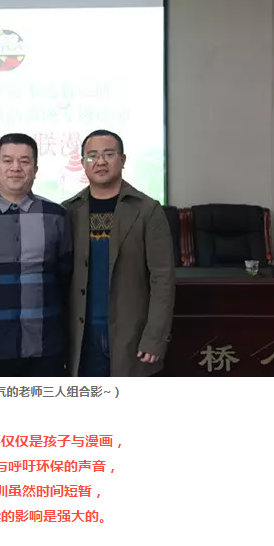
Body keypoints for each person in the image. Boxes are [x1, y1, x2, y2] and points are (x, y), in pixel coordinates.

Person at [0, 133, 72, 377]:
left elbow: (66, 282)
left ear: (35, 169)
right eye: (7, 160)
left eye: (24, 161)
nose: (16, 168)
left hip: (46, 345)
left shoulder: (57, 216)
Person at [63, 129, 175, 377]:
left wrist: (155, 336)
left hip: (130, 338)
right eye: (92, 156)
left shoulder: (147, 210)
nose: (100, 161)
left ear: (122, 160)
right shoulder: (69, 211)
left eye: (109, 154)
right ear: (82, 163)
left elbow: (163, 279)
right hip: (80, 338)